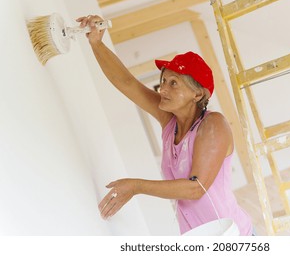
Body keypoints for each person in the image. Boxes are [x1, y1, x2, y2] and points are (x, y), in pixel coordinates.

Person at [76, 15, 253, 235]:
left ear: (197, 93)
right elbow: (127, 83)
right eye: (163, 82)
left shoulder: (213, 125)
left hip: (233, 237)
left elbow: (196, 187)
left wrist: (136, 186)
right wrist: (96, 43)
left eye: (173, 83)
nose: (163, 89)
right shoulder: (170, 121)